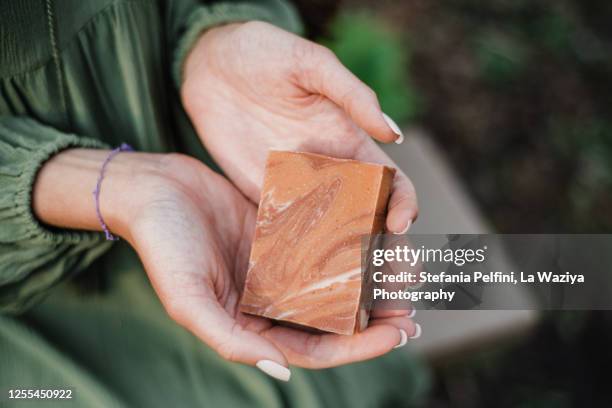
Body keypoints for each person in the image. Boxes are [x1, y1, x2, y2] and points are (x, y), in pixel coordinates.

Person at [0, 0, 427, 406]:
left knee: (339, 349)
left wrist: (219, 32)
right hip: (35, 285)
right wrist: (103, 186)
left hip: (227, 146)